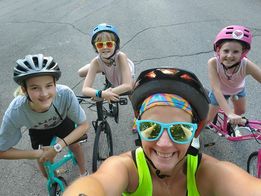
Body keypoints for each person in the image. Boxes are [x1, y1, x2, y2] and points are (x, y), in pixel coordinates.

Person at [63, 67, 261, 196]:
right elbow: (97, 184)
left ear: (195, 131)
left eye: (180, 130)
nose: (164, 143)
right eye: (151, 128)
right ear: (138, 127)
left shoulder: (210, 173)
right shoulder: (126, 169)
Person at [0, 54, 90, 178]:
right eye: (35, 87)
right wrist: (37, 154)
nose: (44, 94)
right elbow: (2, 151)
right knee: (44, 162)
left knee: (75, 145)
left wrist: (57, 147)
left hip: (61, 121)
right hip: (38, 130)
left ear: (55, 84)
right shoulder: (16, 111)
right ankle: (52, 178)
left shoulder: (65, 94)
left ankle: (83, 173)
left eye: (49, 85)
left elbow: (84, 125)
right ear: (24, 89)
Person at [207, 25, 261, 128]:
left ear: (243, 53)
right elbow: (216, 89)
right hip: (220, 91)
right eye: (226, 51)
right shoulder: (213, 63)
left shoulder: (246, 64)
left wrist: (232, 115)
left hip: (237, 89)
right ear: (218, 50)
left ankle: (230, 123)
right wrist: (229, 113)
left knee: (241, 111)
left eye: (236, 52)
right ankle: (196, 136)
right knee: (208, 118)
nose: (230, 55)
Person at [79, 23, 135, 102]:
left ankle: (105, 68)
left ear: (115, 45)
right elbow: (85, 89)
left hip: (122, 75)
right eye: (100, 45)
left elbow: (127, 85)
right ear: (95, 47)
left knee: (133, 94)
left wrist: (105, 94)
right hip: (102, 63)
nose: (105, 47)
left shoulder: (121, 57)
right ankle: (103, 68)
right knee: (81, 73)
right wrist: (102, 94)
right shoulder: (95, 62)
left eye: (109, 44)